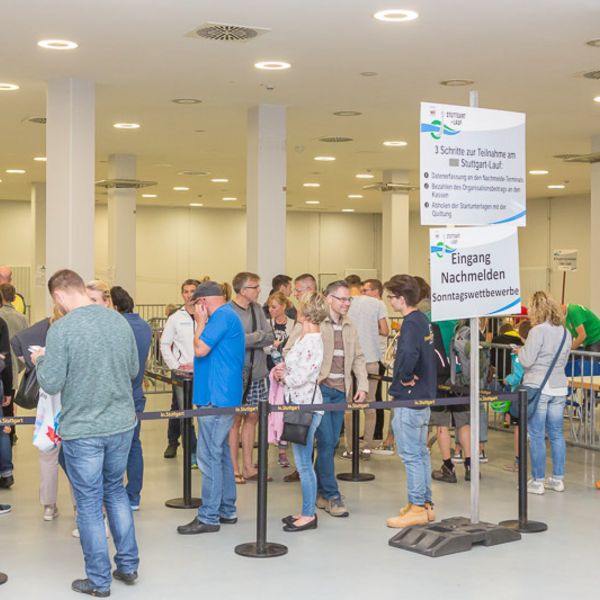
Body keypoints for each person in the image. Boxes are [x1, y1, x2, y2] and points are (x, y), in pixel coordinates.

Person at [34, 269, 140, 596]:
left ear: (59, 296)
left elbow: (51, 382)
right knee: (116, 491)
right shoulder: (118, 321)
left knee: (90, 503)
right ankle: (128, 565)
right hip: (121, 424)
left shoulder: (62, 330)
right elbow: (135, 370)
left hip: (83, 430)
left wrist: (41, 361)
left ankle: (98, 580)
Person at [177, 281, 244, 534]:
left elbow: (200, 348)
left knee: (209, 456)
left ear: (202, 303)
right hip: (220, 394)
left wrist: (200, 322)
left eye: (195, 305)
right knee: (222, 453)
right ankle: (227, 508)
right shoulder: (229, 316)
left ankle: (208, 516)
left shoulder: (219, 317)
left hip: (216, 398)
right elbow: (217, 355)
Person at [384, 274, 436, 529]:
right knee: (421, 452)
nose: (390, 302)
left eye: (391, 297)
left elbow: (407, 353)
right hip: (424, 396)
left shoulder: (410, 323)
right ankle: (425, 503)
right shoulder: (423, 321)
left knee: (411, 454)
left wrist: (404, 376)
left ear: (401, 299)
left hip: (409, 398)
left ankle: (416, 506)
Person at [312, 280, 368, 518]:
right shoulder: (314, 323)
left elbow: (358, 356)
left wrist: (362, 385)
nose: (346, 303)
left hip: (340, 391)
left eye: (349, 299)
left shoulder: (350, 325)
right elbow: (291, 349)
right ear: (329, 299)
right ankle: (333, 495)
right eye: (342, 299)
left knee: (331, 442)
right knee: (325, 441)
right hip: (321, 391)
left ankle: (318, 492)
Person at [273, 292, 328, 532]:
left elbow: (301, 377)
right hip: (298, 404)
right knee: (303, 462)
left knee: (304, 464)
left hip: (306, 408)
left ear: (305, 313)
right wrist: (283, 369)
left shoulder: (313, 340)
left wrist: (283, 376)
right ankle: (306, 510)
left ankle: (309, 514)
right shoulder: (307, 339)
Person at [11, 307, 68, 520]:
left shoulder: (43, 330)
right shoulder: (75, 333)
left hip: (48, 406)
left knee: (48, 455)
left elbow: (17, 341)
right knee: (75, 457)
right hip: (72, 405)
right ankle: (79, 505)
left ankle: (49, 506)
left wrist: (29, 362)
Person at [519, 291, 571, 495]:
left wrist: (521, 350)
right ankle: (558, 479)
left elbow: (526, 360)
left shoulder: (537, 331)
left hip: (539, 386)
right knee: (557, 434)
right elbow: (563, 361)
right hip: (559, 387)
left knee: (537, 434)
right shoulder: (566, 332)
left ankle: (538, 480)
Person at [228, 272, 274, 483]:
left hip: (258, 373)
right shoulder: (228, 311)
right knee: (234, 420)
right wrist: (257, 337)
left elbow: (270, 336)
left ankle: (248, 466)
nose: (259, 290)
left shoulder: (257, 309)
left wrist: (251, 339)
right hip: (236, 376)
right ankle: (233, 468)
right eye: (255, 287)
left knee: (252, 418)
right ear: (243, 290)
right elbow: (234, 341)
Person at [110, 286, 152, 510]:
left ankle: (113, 496)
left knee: (111, 448)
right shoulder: (144, 326)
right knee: (134, 445)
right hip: (136, 393)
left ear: (114, 306)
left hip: (117, 395)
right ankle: (133, 496)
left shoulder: (117, 326)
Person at [344, 274, 388, 458]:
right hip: (371, 359)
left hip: (349, 360)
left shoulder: (344, 304)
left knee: (348, 407)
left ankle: (350, 446)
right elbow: (385, 331)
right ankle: (368, 446)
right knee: (370, 405)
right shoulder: (377, 304)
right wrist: (371, 330)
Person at [281, 273, 318, 484]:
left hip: (311, 390)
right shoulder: (300, 321)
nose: (294, 294)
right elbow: (291, 347)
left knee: (321, 442)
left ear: (310, 290)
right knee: (303, 447)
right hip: (297, 390)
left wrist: (287, 376)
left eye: (298, 290)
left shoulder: (316, 326)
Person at [160, 279, 200, 459]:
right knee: (183, 410)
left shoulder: (207, 316)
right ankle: (188, 449)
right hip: (182, 374)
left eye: (193, 291)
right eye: (186, 291)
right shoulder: (175, 318)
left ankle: (197, 449)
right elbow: (164, 344)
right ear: (182, 294)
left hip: (203, 372)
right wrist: (175, 367)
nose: (189, 294)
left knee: (202, 410)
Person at [264, 291, 296, 468]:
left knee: (284, 411)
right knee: (268, 411)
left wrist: (281, 346)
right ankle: (265, 449)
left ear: (284, 307)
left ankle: (283, 449)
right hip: (269, 371)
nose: (271, 310)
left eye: (274, 307)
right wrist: (271, 347)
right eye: (269, 307)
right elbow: (263, 346)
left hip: (286, 373)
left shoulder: (293, 325)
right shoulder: (267, 323)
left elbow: (294, 346)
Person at [0, 284, 27, 446]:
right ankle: (11, 435)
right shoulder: (22, 318)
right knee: (9, 404)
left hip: (3, 365)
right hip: (14, 365)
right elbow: (25, 343)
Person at [0, 316, 13, 490]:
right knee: (1, 428)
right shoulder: (2, 322)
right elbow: (5, 360)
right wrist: (8, 389)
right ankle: (7, 472)